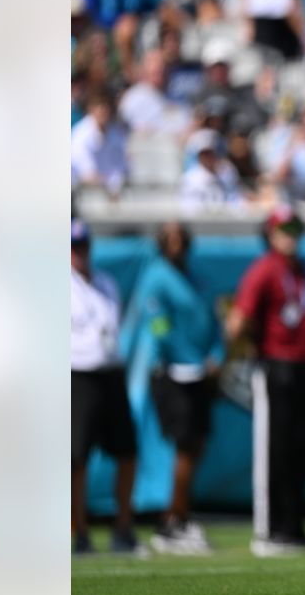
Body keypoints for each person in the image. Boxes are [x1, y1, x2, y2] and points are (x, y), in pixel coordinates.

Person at [120, 222, 225, 554]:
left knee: (197, 446)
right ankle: (172, 523)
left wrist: (215, 356)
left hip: (199, 373)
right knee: (185, 446)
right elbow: (159, 325)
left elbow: (215, 323)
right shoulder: (156, 277)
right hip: (174, 373)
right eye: (172, 239)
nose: (177, 245)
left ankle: (178, 517)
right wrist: (187, 358)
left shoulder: (196, 278)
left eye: (182, 238)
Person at [226, 206, 305, 556]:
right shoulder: (264, 270)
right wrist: (249, 351)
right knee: (276, 449)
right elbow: (239, 318)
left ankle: (293, 526)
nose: (291, 235)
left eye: (295, 228)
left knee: (301, 450)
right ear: (269, 234)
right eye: (283, 229)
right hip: (275, 366)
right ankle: (269, 530)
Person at [71, 219, 140, 555]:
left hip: (110, 373)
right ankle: (77, 532)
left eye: (83, 246)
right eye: (73, 247)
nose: (79, 254)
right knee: (75, 458)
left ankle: (123, 527)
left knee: (127, 452)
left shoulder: (106, 283)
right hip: (78, 375)